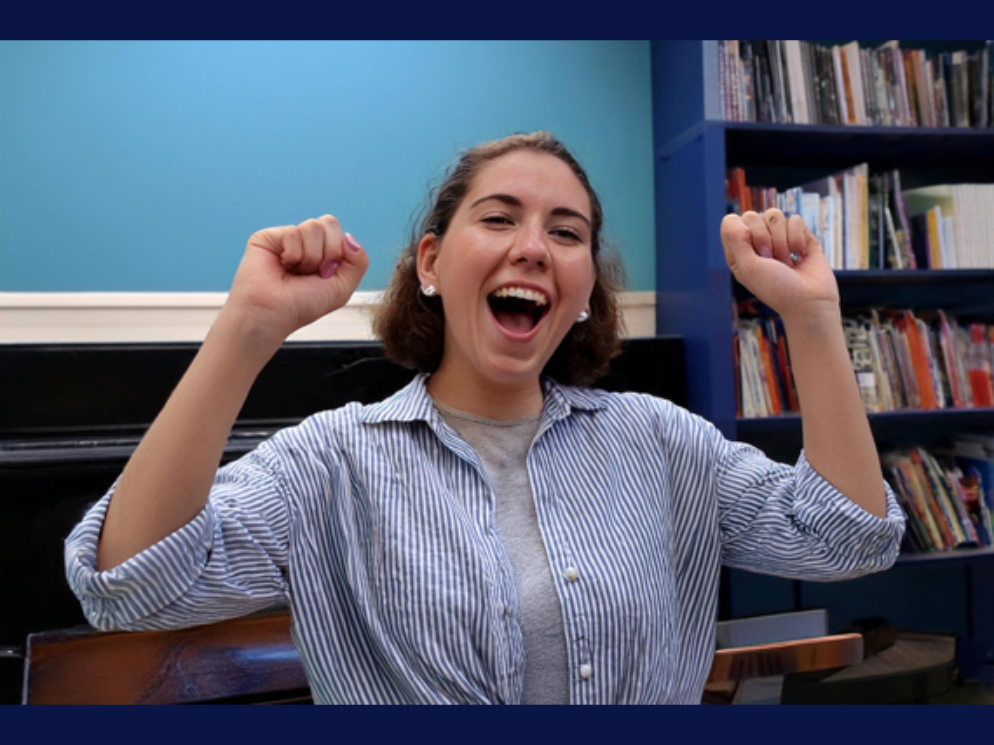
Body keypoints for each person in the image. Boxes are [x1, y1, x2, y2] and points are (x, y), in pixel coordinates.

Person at [65, 132, 905, 704]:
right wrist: (248, 328)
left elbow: (846, 538)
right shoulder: (329, 462)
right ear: (431, 261)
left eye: (566, 232)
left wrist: (811, 316)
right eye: (499, 218)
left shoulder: (661, 440)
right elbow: (129, 588)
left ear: (582, 293)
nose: (533, 246)